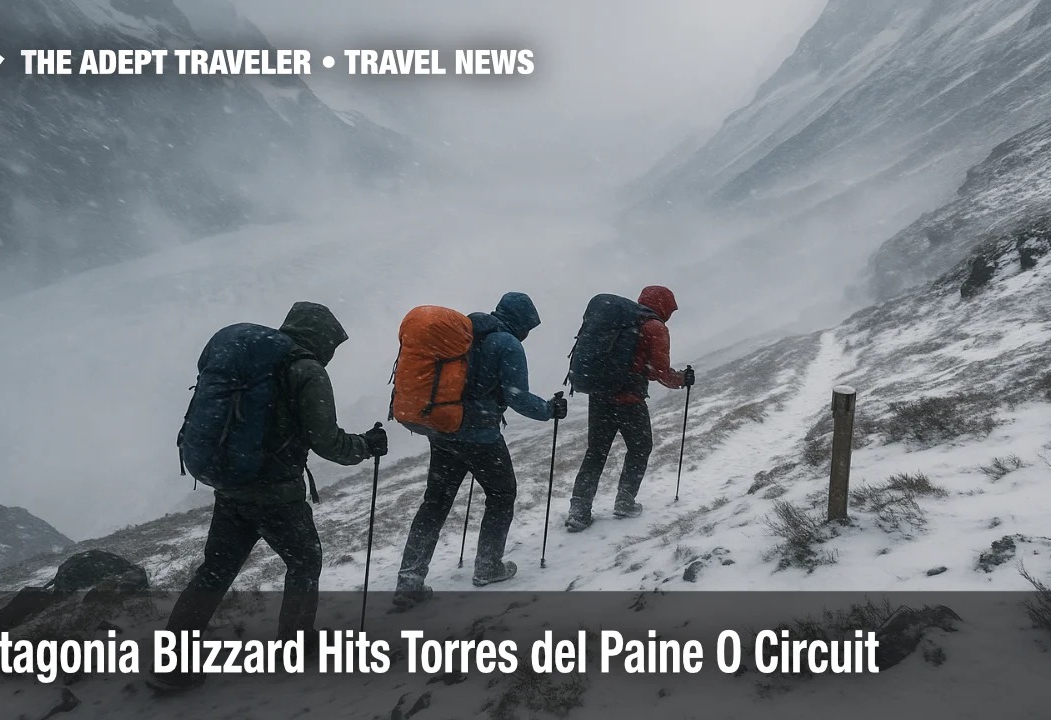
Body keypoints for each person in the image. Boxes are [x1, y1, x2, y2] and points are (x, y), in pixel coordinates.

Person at [149, 302, 388, 693]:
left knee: (214, 571)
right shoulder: (306, 371)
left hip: (231, 488)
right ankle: (295, 644)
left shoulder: (254, 364)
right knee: (305, 560)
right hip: (277, 495)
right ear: (321, 338)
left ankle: (172, 666)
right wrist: (366, 445)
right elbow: (326, 441)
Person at [393, 292, 566, 608]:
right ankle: (488, 566)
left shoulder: (465, 332)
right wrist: (549, 410)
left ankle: (409, 579)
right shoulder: (508, 345)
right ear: (522, 322)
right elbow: (516, 397)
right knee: (502, 496)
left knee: (435, 502)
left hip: (443, 430)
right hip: (481, 437)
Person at [565, 286, 694, 532]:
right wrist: (682, 379)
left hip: (600, 396)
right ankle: (625, 500)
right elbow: (659, 372)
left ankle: (579, 509)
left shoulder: (623, 321)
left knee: (595, 452)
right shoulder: (655, 328)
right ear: (664, 305)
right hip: (629, 400)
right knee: (640, 448)